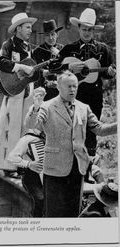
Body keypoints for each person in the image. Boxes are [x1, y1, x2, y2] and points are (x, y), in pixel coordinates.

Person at [24, 70, 117, 217]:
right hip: (54, 168)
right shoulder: (47, 106)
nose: (72, 89)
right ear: (59, 87)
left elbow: (99, 129)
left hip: (78, 169)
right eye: (68, 86)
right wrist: (35, 107)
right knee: (53, 214)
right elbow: (31, 125)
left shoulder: (83, 107)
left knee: (73, 212)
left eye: (75, 86)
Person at [47, 8, 116, 156]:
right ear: (79, 28)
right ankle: (70, 171)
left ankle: (89, 171)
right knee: (71, 131)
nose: (87, 33)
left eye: (90, 30)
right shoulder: (69, 49)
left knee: (91, 132)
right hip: (73, 97)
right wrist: (68, 66)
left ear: (94, 31)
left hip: (94, 98)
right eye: (84, 29)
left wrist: (110, 73)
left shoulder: (103, 49)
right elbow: (52, 66)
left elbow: (108, 72)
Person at [0, 12, 37, 172]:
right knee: (12, 127)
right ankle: (9, 166)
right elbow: (0, 62)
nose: (30, 30)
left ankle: (21, 165)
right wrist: (20, 67)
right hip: (13, 91)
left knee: (25, 127)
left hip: (26, 90)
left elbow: (31, 70)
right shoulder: (8, 44)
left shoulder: (28, 47)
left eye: (30, 27)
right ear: (18, 28)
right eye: (27, 27)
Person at [7, 126, 45, 217]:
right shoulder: (28, 139)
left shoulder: (53, 137)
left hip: (48, 179)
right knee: (40, 199)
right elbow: (11, 157)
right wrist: (29, 164)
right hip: (32, 179)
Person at [33, 19, 63, 101]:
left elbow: (68, 69)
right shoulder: (37, 51)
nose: (50, 38)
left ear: (57, 34)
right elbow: (33, 70)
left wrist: (59, 55)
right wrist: (43, 72)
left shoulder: (63, 49)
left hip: (60, 92)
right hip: (42, 92)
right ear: (44, 36)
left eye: (53, 34)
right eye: (47, 35)